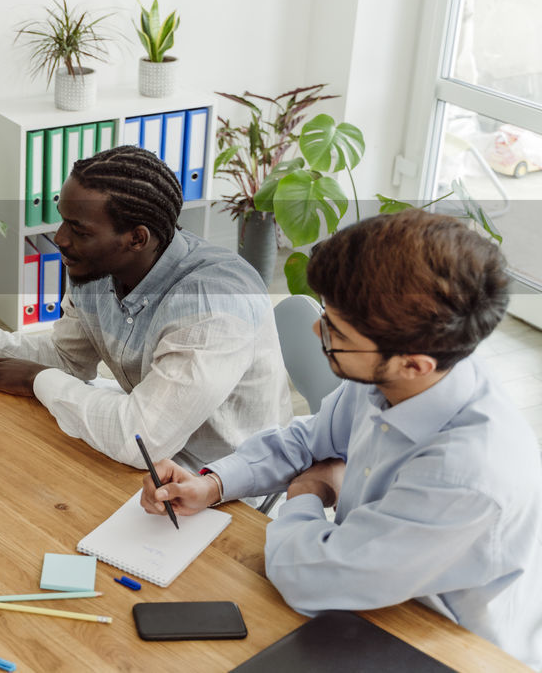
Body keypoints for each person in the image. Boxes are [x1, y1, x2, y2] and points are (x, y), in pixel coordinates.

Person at [140, 209, 542, 669]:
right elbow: (309, 439)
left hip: (444, 645)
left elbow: (310, 579)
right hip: (371, 601)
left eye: (336, 332)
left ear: (414, 364)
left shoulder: (468, 473)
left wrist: (305, 494)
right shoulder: (394, 374)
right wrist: (212, 484)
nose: (318, 332)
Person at [0, 145, 290, 471]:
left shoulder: (212, 306)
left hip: (227, 483)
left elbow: (138, 440)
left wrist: (34, 379)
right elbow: (67, 358)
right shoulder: (100, 268)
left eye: (80, 230)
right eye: (63, 221)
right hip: (152, 461)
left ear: (136, 238)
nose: (59, 239)